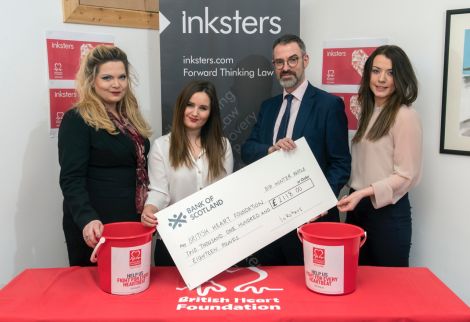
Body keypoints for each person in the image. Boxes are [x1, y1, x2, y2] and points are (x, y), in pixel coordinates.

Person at [241, 34, 351, 266]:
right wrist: (270, 150)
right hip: (269, 222)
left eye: (292, 60)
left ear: (305, 60)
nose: (286, 68)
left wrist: (318, 202)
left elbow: (341, 164)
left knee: (311, 293)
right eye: (279, 63)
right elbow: (248, 150)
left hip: (311, 221)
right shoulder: (268, 107)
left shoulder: (328, 105)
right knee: (272, 289)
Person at [58, 45, 152, 266]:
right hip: (97, 225)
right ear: (92, 80)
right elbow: (71, 178)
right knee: (95, 296)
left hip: (132, 220)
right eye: (107, 77)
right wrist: (87, 218)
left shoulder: (130, 117)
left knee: (134, 288)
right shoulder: (77, 119)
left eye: (122, 77)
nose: (116, 84)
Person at [337, 45, 422, 267]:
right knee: (358, 284)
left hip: (388, 215)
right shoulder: (368, 111)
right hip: (359, 209)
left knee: (389, 291)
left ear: (400, 77)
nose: (381, 79)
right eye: (376, 71)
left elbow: (406, 176)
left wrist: (362, 193)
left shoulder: (405, 116)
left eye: (390, 72)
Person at [141, 80, 234, 266]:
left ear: (211, 113)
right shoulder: (161, 146)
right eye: (190, 105)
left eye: (203, 108)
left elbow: (225, 192)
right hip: (173, 241)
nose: (195, 113)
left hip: (214, 241)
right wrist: (150, 209)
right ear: (181, 106)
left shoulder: (223, 146)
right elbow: (159, 192)